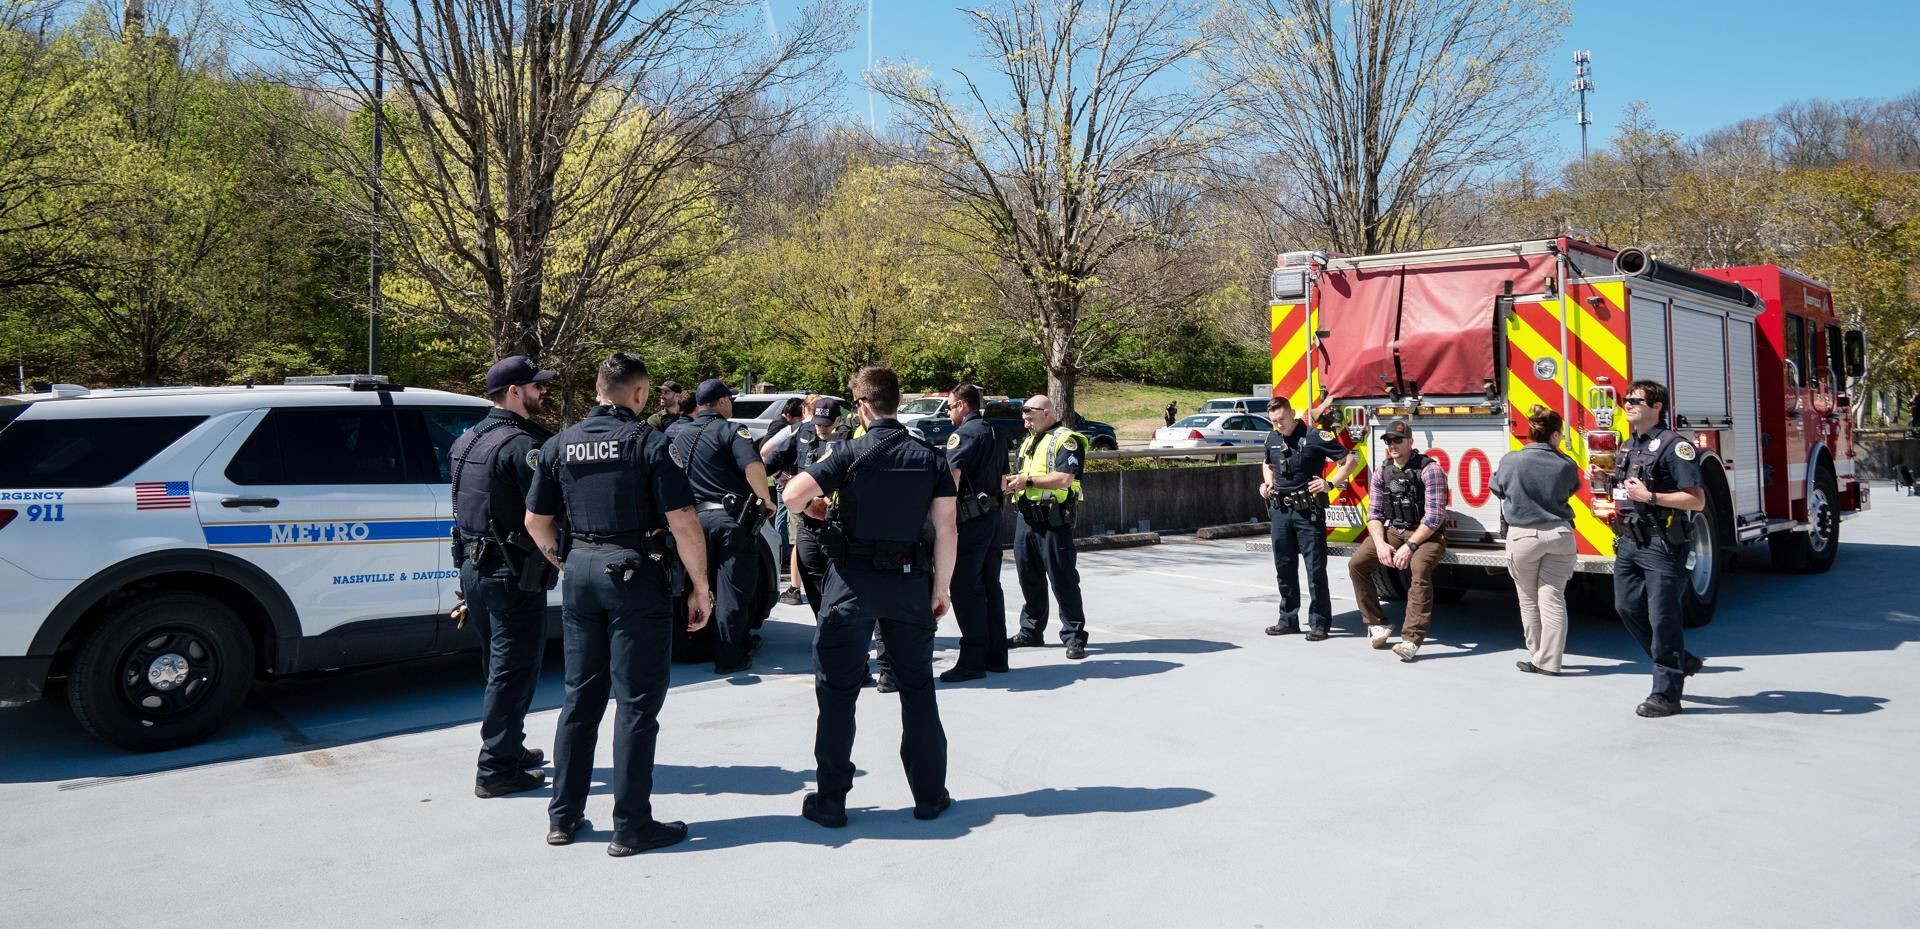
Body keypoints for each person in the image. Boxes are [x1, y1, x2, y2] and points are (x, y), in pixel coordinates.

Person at [522, 352, 714, 856]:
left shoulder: (559, 444)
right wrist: (700, 586)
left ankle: (563, 818)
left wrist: (565, 562)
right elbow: (683, 520)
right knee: (635, 704)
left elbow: (535, 522)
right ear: (640, 394)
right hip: (634, 575)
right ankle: (631, 825)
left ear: (597, 388)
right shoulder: (650, 443)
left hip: (580, 571)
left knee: (580, 699)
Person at [781, 366, 957, 827]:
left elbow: (793, 493)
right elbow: (946, 527)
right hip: (908, 584)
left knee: (837, 693)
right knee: (918, 690)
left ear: (861, 406)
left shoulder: (848, 453)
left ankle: (832, 801)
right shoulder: (930, 457)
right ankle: (929, 795)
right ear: (896, 402)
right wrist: (941, 590)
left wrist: (814, 506)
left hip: (851, 585)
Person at [450, 355, 558, 799]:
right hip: (508, 572)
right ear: (514, 392)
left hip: (475, 569)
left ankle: (508, 745)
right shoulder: (520, 446)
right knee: (513, 670)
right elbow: (547, 510)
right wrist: (560, 557)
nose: (542, 392)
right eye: (535, 386)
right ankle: (496, 769)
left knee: (497, 666)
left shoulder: (468, 440)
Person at [1610, 380, 1708, 718]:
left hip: (1662, 544)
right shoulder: (1628, 446)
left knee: (1663, 618)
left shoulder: (1674, 447)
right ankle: (1680, 661)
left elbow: (1696, 499)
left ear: (1657, 406)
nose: (1628, 404)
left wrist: (1650, 498)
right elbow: (1628, 489)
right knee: (1626, 607)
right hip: (1629, 542)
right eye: (1626, 400)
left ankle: (1666, 695)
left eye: (1635, 400)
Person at [673, 378, 777, 674]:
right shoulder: (732, 430)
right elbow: (753, 466)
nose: (731, 403)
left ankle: (697, 644)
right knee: (733, 589)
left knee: (696, 586)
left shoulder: (680, 436)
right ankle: (731, 656)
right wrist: (764, 499)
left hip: (690, 523)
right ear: (719, 402)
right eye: (728, 399)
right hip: (728, 521)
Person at [1258, 396, 1359, 641]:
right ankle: (1288, 620)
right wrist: (1267, 483)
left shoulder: (1314, 436)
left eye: (1281, 419)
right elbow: (1267, 463)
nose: (1278, 425)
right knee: (1284, 568)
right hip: (1281, 512)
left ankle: (1320, 623)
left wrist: (1330, 484)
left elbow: (1350, 460)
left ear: (1292, 413)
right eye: (1273, 421)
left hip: (1307, 513)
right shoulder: (1272, 438)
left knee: (1315, 570)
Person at [1346, 420, 1449, 661]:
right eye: (1388, 441)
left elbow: (1434, 517)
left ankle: (1411, 640)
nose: (1392, 445)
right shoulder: (1382, 471)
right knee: (1357, 564)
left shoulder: (1430, 470)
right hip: (1395, 529)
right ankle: (1376, 624)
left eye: (1398, 440)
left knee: (1419, 570)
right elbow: (1374, 514)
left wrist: (1410, 546)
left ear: (1411, 441)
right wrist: (1381, 544)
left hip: (1426, 534)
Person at [1491, 406, 1582, 675]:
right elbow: (1572, 489)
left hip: (1523, 537)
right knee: (1553, 600)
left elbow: (1497, 488)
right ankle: (1551, 662)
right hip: (1559, 535)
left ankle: (1536, 657)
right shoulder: (1566, 464)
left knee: (1528, 601)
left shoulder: (1511, 461)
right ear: (1554, 435)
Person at [1005, 396, 1090, 659]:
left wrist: (1026, 481)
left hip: (1053, 520)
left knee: (1063, 579)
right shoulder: (1029, 440)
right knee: (1028, 577)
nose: (1025, 420)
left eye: (1029, 415)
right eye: (1024, 415)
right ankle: (1031, 631)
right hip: (1026, 518)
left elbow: (1065, 478)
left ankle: (1074, 637)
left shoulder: (1067, 439)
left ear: (1047, 413)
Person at [938, 383, 1011, 682]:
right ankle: (997, 656)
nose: (948, 411)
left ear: (963, 406)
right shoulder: (995, 432)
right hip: (993, 518)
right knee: (990, 585)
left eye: (950, 406)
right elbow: (1005, 479)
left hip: (970, 521)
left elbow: (951, 478)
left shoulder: (964, 434)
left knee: (966, 588)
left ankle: (972, 660)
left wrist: (944, 522)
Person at [760, 398, 808, 605]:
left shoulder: (788, 427)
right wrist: (781, 475)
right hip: (792, 484)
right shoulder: (788, 429)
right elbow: (764, 451)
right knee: (786, 522)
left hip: (795, 484)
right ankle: (784, 556)